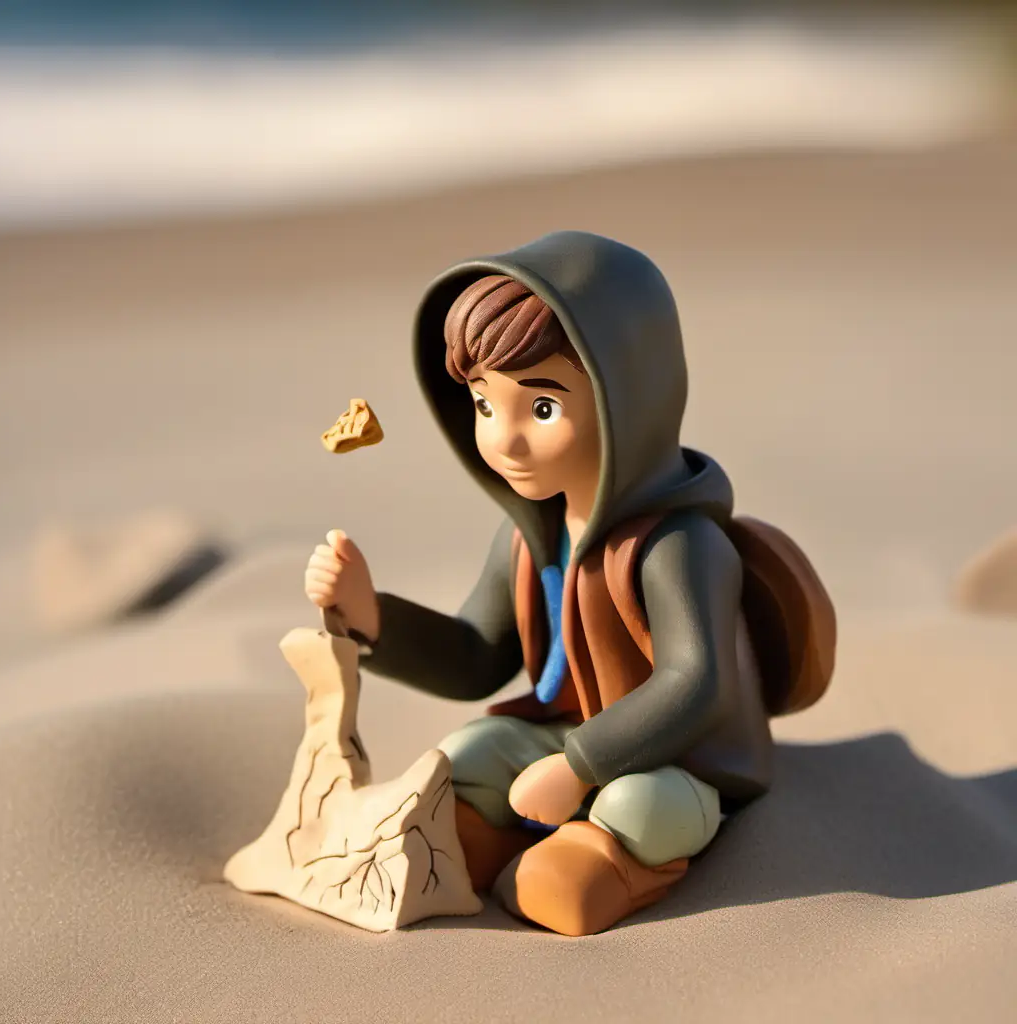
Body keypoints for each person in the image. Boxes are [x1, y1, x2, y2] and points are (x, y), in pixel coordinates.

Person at [304, 231, 831, 936]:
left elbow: (693, 684)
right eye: (486, 405)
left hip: (683, 761)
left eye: (542, 408)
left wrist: (581, 768)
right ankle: (480, 842)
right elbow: (477, 656)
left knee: (636, 810)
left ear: (628, 401)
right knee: (465, 754)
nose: (504, 439)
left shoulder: (678, 544)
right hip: (568, 734)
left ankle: (604, 862)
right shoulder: (532, 536)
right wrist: (375, 619)